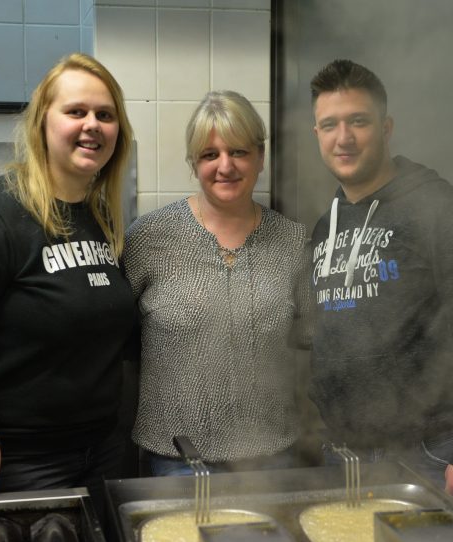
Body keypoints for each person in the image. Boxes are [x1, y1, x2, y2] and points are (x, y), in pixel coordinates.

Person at [0, 53, 137, 513]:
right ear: (43, 122)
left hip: (101, 451)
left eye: (105, 114)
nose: (92, 125)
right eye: (76, 112)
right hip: (18, 458)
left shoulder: (101, 218)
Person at [306, 59, 453, 510]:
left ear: (386, 127)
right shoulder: (326, 226)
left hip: (431, 453)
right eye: (330, 124)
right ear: (316, 134)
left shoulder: (446, 214)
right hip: (345, 453)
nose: (345, 137)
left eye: (359, 121)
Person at [123, 90, 309, 476]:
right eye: (210, 155)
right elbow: (115, 343)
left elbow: (314, 346)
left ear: (260, 157)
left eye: (239, 152)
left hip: (272, 459)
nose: (225, 166)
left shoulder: (293, 242)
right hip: (174, 460)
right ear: (194, 163)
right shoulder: (148, 238)